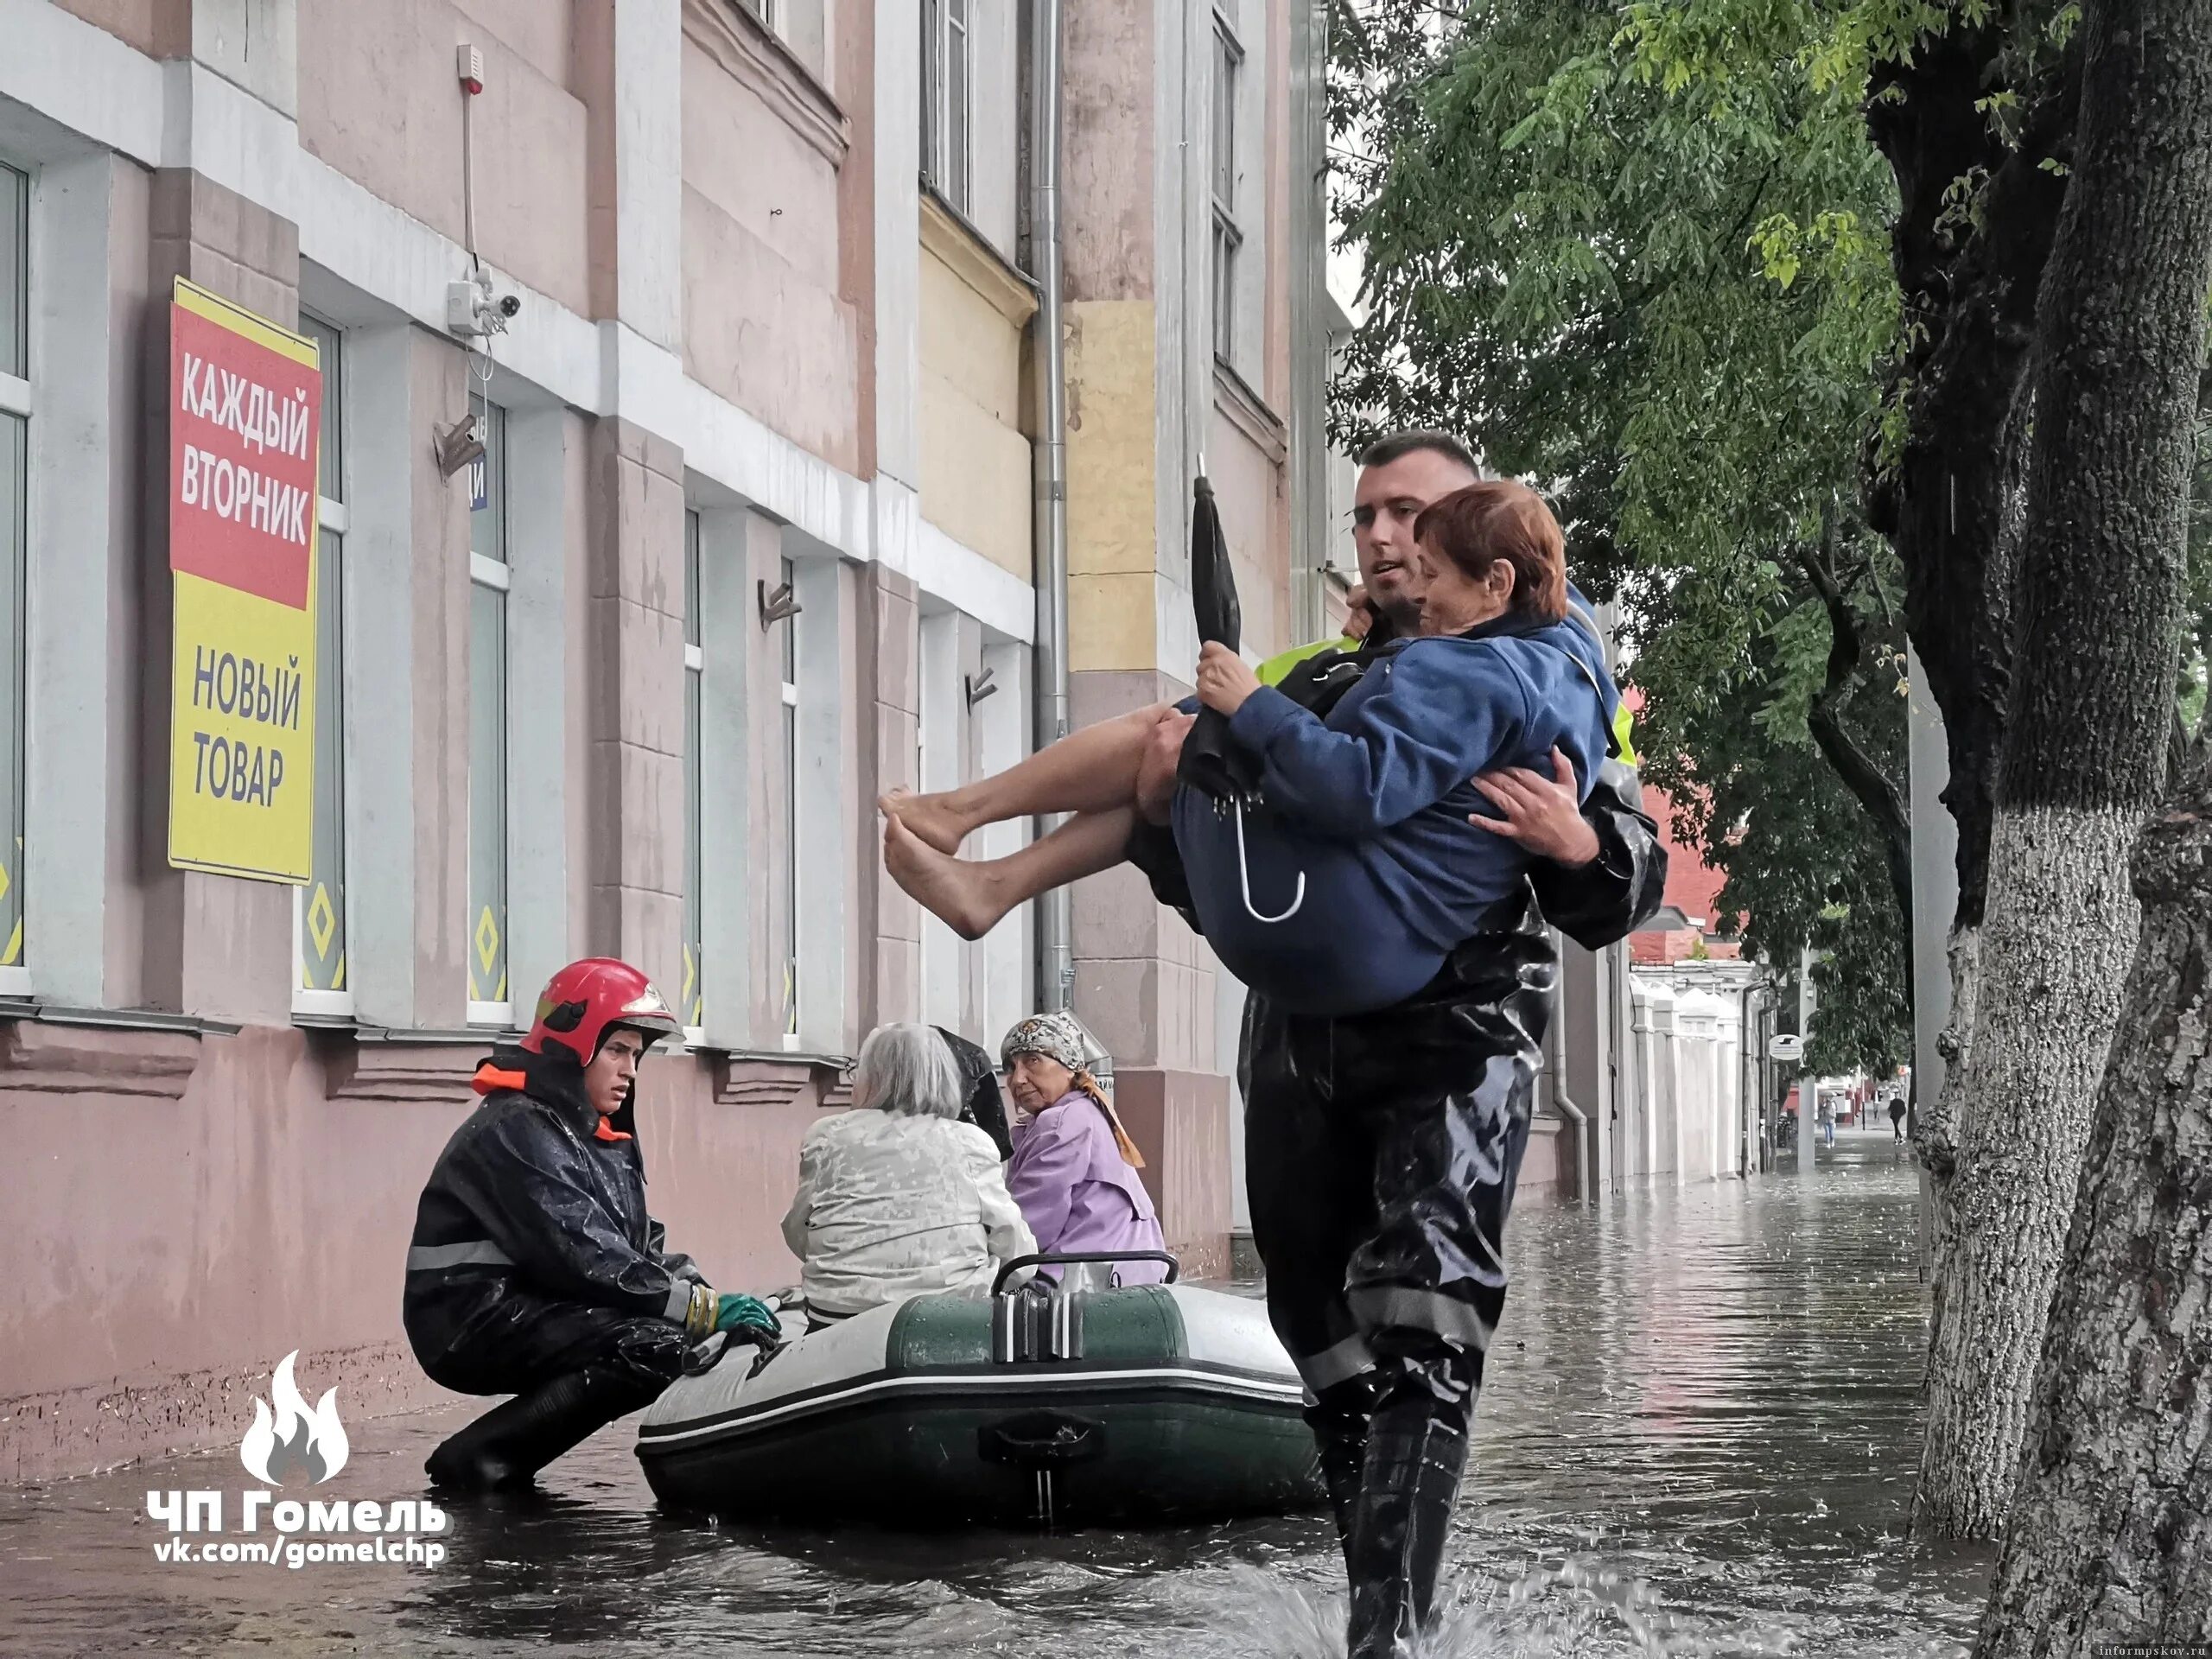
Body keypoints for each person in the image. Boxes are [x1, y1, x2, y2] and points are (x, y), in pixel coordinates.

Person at [1125, 432, 1664, 1659]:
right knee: (1318, 1329)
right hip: (1297, 1048)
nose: (1382, 541)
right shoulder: (1302, 671)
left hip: (1457, 1034)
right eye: (1367, 516)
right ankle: (1387, 1608)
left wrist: (1586, 852)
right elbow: (1229, 869)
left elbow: (1628, 874)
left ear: (1472, 558)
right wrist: (1163, 827)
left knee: (1428, 1315)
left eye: (1409, 518)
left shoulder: (1543, 673)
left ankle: (1388, 1636)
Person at [880, 478, 1621, 1025]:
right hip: (1387, 952)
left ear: (1496, 582)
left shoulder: (1468, 671)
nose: (1415, 590)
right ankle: (990, 879)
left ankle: (963, 818)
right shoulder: (1563, 663)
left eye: (1431, 574)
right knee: (1179, 743)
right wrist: (1395, 629)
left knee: (1170, 735)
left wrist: (1251, 702)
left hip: (1327, 916)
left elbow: (1358, 785)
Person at [404, 958, 781, 1491]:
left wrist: (701, 1291)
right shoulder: (518, 1127)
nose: (630, 1069)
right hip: (467, 1318)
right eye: (617, 1050)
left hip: (521, 1304)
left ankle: (493, 1459)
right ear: (573, 1047)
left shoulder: (588, 1135)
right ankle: (481, 1461)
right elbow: (586, 1254)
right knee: (654, 1346)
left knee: (669, 1331)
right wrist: (703, 1309)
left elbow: (636, 1245)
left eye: (635, 1054)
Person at [780, 1024, 1035, 1330]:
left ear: (868, 1075)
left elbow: (799, 1231)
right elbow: (1016, 1250)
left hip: (838, 1321)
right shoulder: (969, 1141)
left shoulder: (826, 1136)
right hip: (945, 1321)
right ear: (944, 1076)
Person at [1000, 1011, 1170, 1287]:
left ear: (1068, 1067)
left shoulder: (1062, 1121)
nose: (1017, 1079)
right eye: (1011, 1066)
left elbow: (1027, 1228)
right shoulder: (1086, 1109)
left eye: (1033, 1061)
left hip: (1087, 1283)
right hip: (1133, 1272)